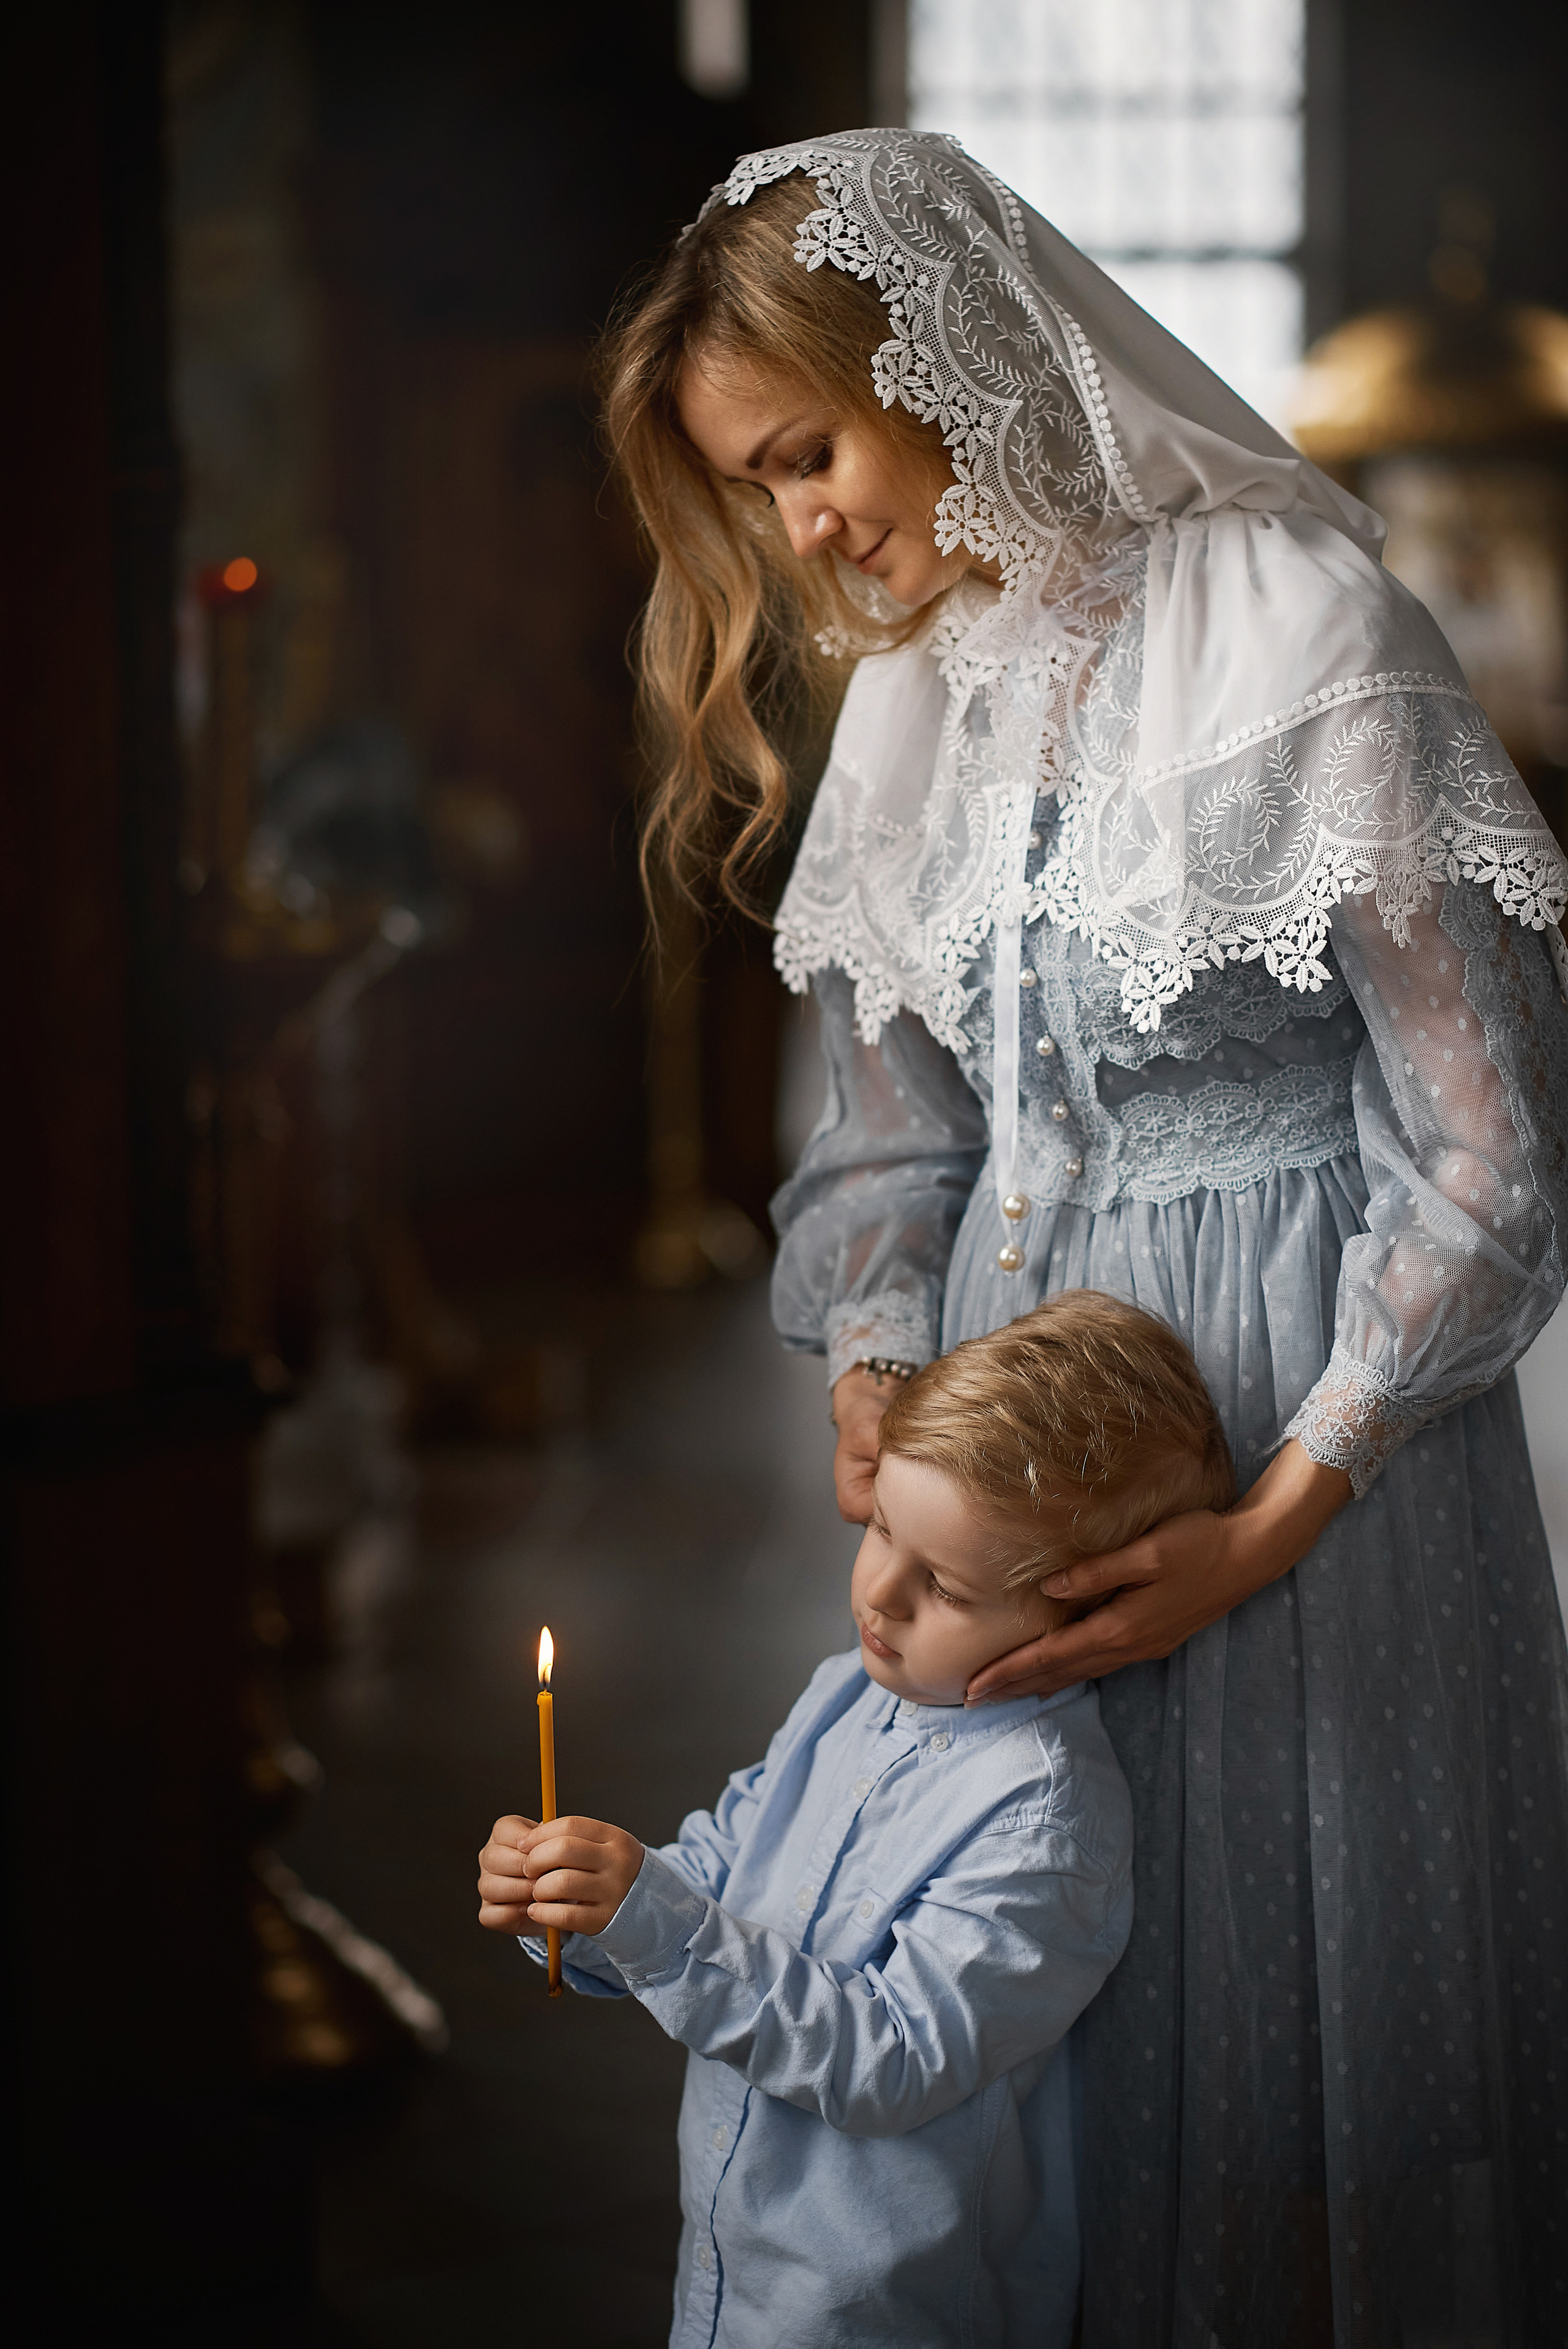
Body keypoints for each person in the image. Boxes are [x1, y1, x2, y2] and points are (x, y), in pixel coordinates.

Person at [600, 130, 1568, 2344]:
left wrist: (1270, 1514)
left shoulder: (1306, 632)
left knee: (1299, 2035)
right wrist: (877, 1351)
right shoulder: (924, 694)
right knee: (1046, 2026)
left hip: (1305, 1426)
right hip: (1025, 1424)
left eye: (810, 449)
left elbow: (1492, 1145)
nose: (807, 525)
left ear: (941, 358)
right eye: (758, 488)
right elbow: (893, 1120)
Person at [479, 1294, 1234, 2348]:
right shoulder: (852, 1688)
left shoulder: (1047, 1815)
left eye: (948, 1585)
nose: (880, 1593)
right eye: (884, 1525)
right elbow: (719, 1867)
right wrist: (583, 1902)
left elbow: (894, 2054)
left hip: (881, 2305)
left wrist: (653, 1922)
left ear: (1087, 1611)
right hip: (737, 2256)